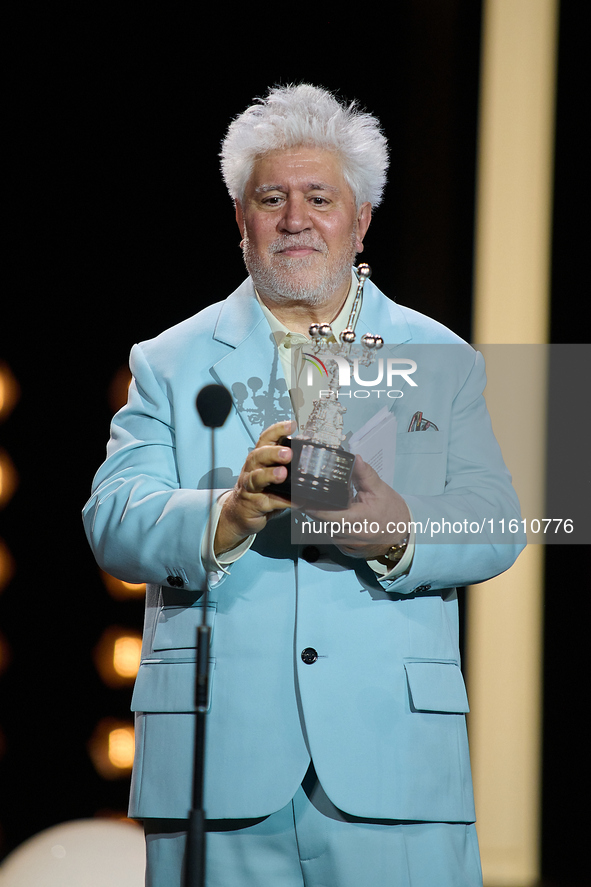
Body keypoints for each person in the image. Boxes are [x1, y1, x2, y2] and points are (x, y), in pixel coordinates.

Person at [83, 84, 524, 887]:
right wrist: (226, 512)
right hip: (215, 770)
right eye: (271, 198)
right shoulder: (169, 360)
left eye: (319, 198)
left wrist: (398, 530)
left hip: (396, 768)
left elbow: (497, 522)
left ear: (358, 220)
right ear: (240, 220)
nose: (294, 219)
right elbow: (113, 517)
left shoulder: (444, 356)